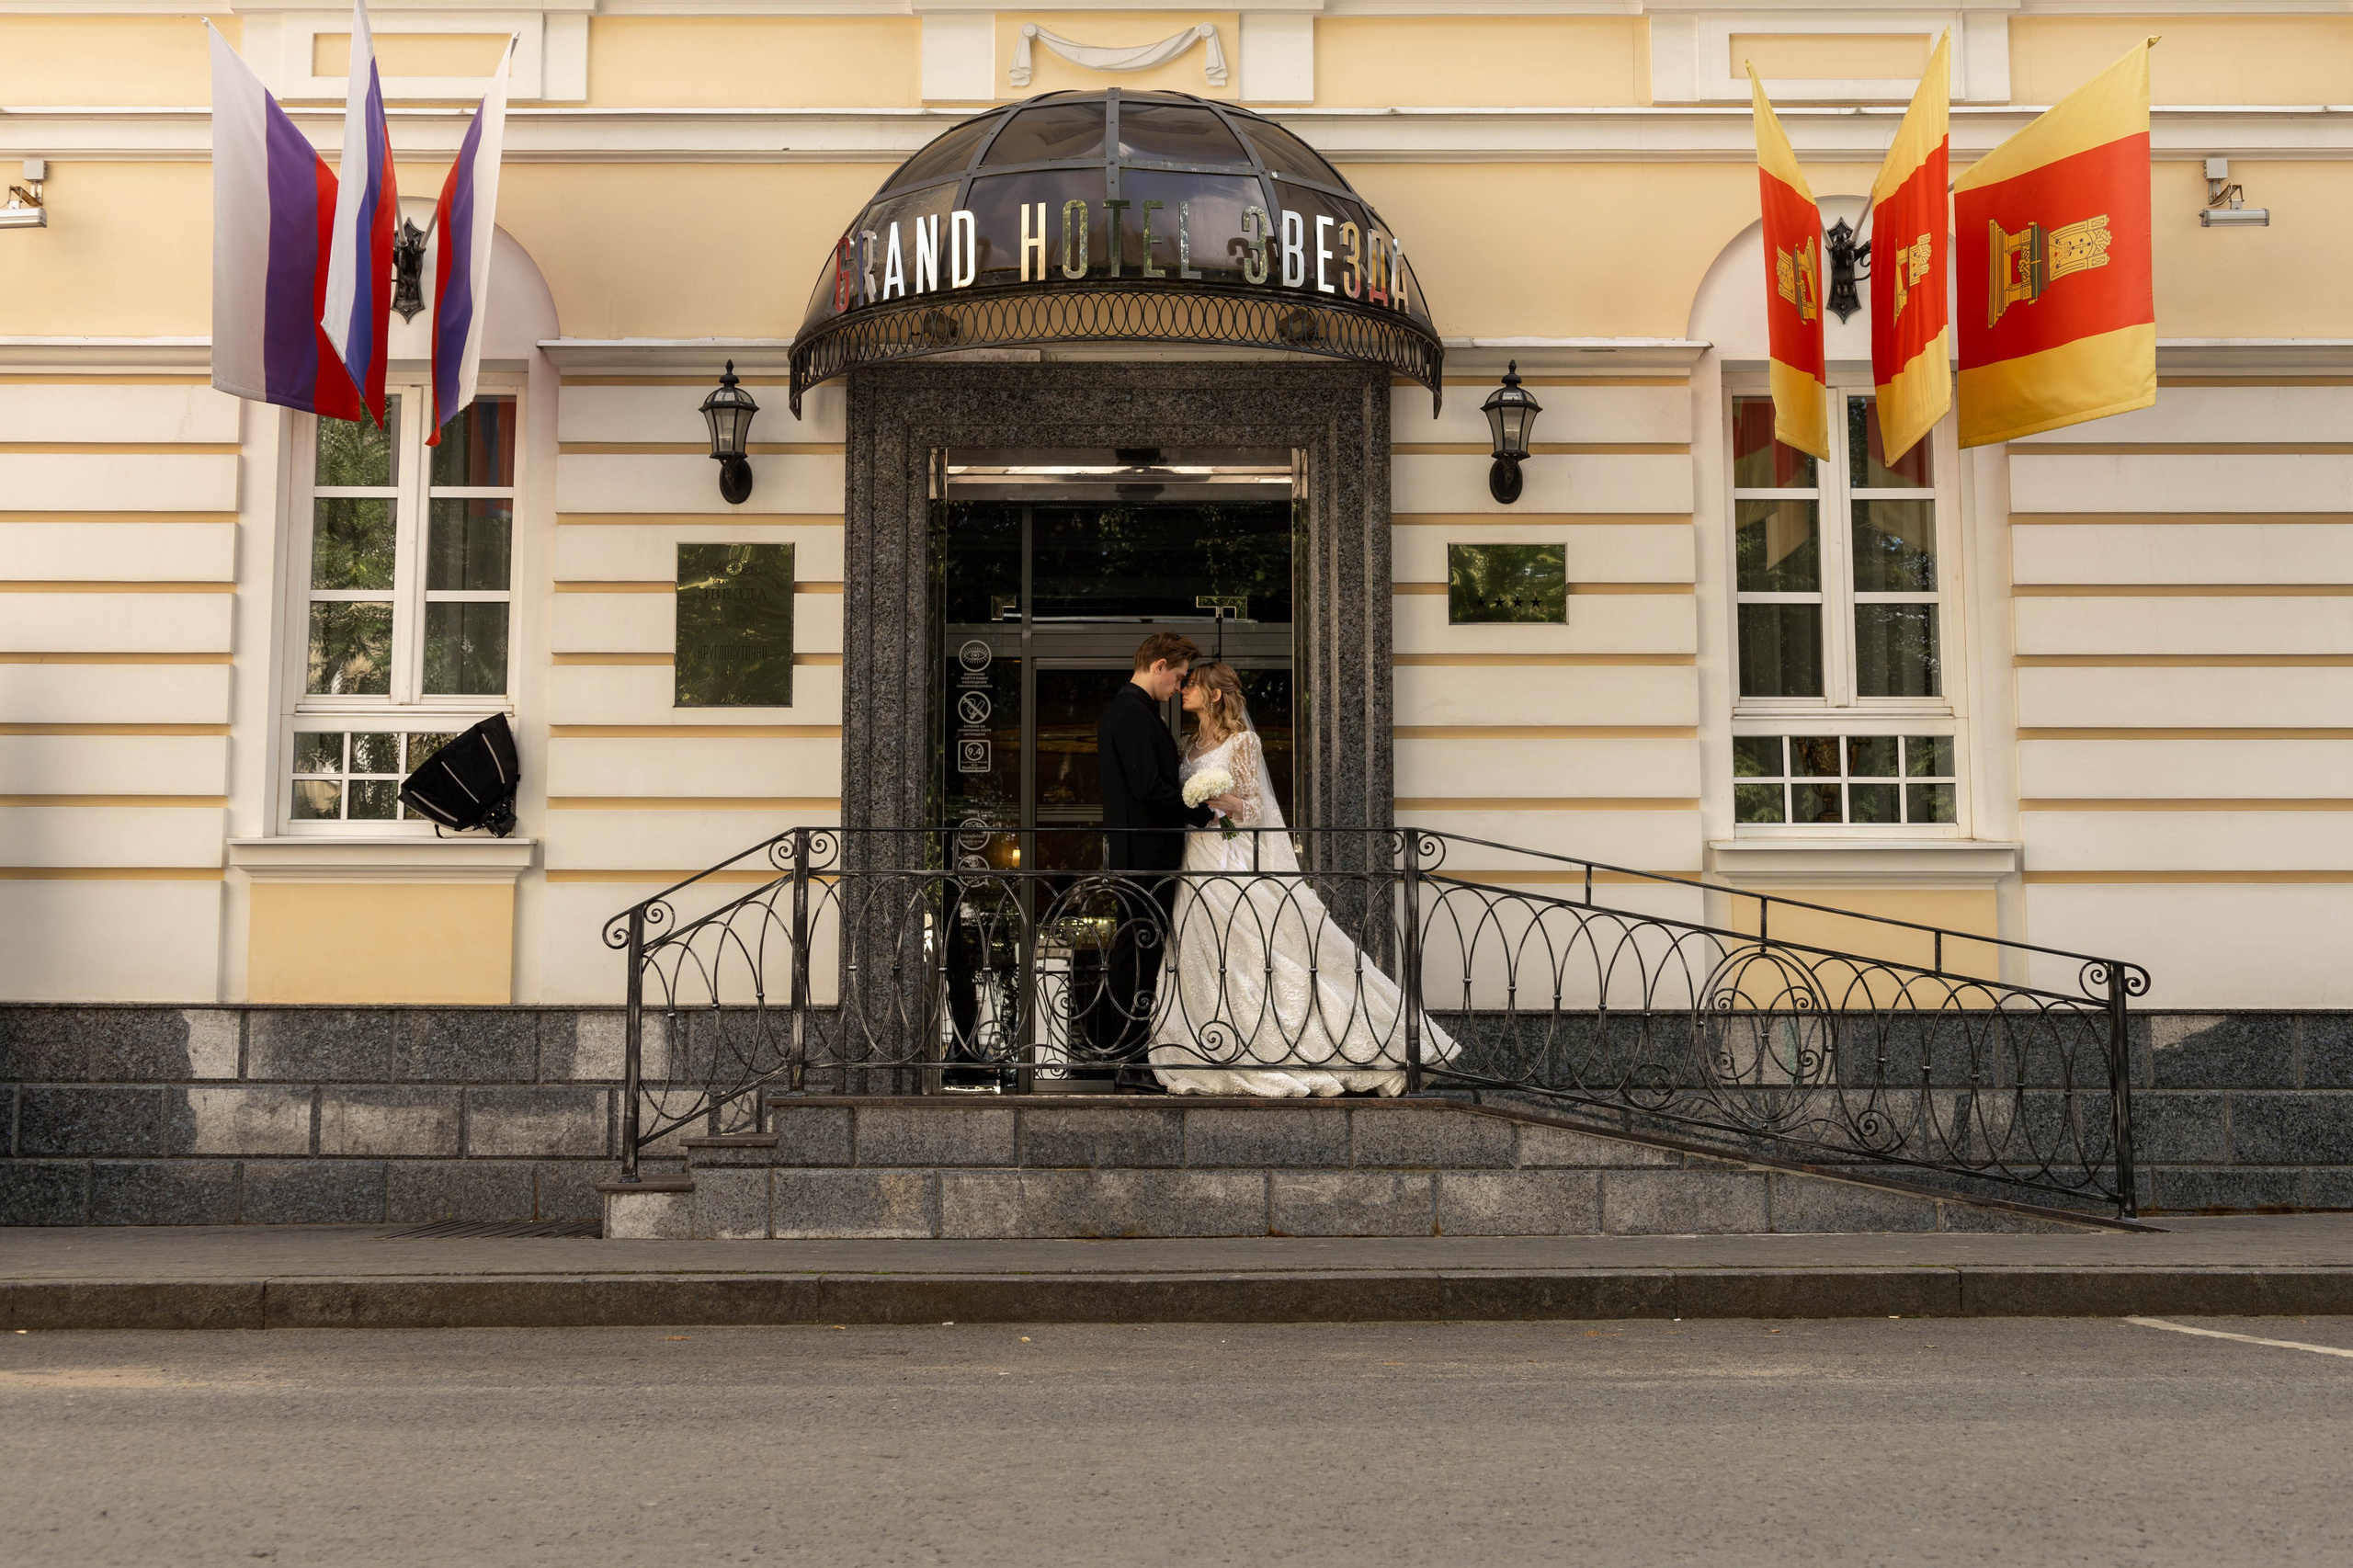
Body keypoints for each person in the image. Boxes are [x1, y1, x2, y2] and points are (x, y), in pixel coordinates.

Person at [1150, 661, 1459, 1096]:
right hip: (1193, 860)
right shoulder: (1187, 745)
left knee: (1255, 949)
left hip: (1227, 856)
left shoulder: (1243, 741)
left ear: (1214, 695)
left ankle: (1322, 1041)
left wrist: (1215, 800)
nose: (1184, 691)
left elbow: (1254, 809)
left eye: (1193, 685)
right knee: (1204, 951)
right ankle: (1214, 1044)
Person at [1094, 632, 1243, 1090]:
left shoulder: (1134, 711)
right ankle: (1127, 1057)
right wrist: (1205, 809)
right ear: (1159, 665)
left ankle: (1125, 1053)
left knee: (1139, 951)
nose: (1179, 686)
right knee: (1137, 953)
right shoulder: (1133, 713)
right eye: (1178, 676)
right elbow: (1150, 791)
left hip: (1142, 852)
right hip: (1143, 855)